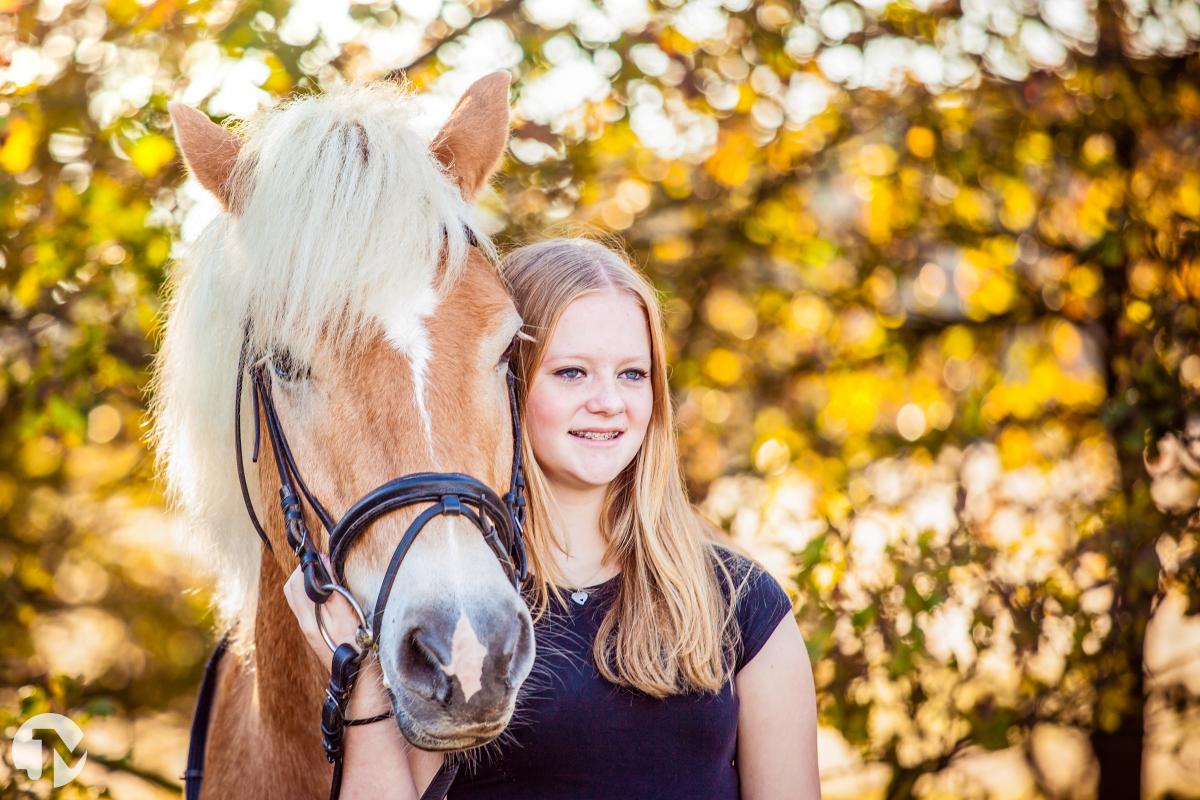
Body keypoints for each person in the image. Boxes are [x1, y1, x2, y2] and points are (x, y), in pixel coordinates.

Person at [283, 238, 820, 799]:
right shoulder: (458, 613)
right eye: (572, 373)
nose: (609, 401)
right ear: (504, 384)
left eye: (633, 374)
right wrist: (365, 687)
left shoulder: (742, 605)